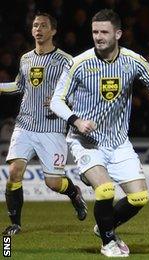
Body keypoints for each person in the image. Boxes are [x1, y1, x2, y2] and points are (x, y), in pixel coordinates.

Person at [50, 9, 149, 257]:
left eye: (104, 32)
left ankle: (105, 226)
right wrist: (76, 120)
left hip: (118, 142)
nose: (98, 37)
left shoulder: (133, 61)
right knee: (105, 190)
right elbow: (56, 101)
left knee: (139, 197)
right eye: (95, 32)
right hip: (86, 141)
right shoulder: (78, 63)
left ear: (118, 34)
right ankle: (107, 243)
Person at [0, 12, 87, 236]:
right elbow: (20, 86)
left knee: (53, 183)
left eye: (43, 25)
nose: (38, 29)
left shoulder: (66, 60)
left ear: (53, 31)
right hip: (25, 124)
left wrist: (63, 100)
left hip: (52, 128)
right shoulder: (25, 59)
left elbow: (80, 91)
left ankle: (74, 193)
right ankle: (15, 224)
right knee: (14, 171)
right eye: (35, 25)